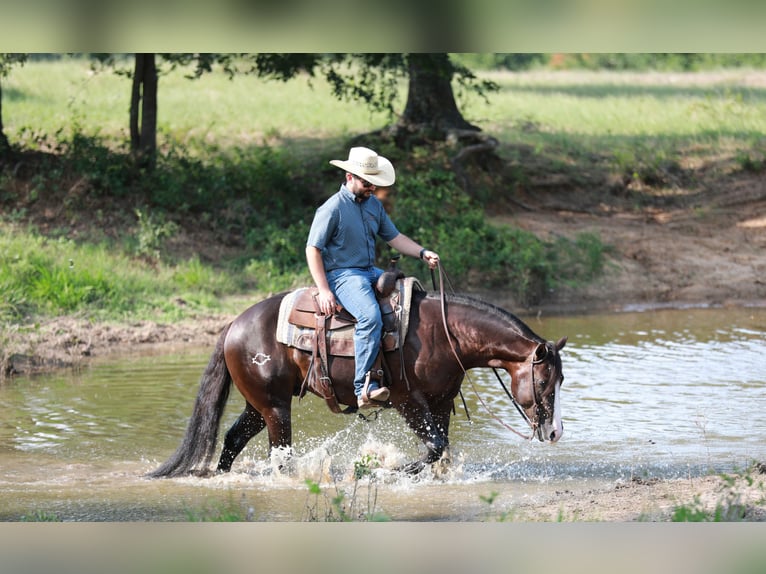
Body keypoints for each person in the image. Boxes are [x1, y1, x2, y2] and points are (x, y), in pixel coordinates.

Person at [306, 146, 440, 409]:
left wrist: (422, 252)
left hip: (369, 270)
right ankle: (363, 386)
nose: (372, 188)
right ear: (349, 177)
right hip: (343, 275)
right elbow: (313, 248)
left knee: (412, 295)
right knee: (369, 316)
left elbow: (395, 237)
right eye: (367, 183)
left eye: (374, 183)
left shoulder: (373, 205)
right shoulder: (332, 208)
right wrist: (324, 290)